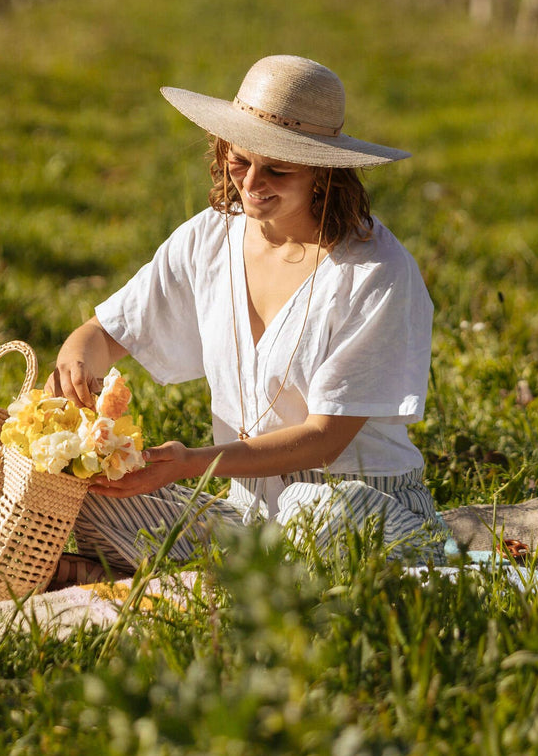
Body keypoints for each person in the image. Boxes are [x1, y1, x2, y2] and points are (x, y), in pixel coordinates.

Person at [47, 54, 446, 581]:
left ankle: (207, 579)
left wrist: (192, 463)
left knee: (315, 514)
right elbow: (103, 332)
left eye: (278, 169)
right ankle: (245, 578)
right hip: (248, 515)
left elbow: (326, 439)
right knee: (88, 492)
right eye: (239, 162)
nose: (252, 183)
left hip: (357, 504)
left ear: (323, 172)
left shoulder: (375, 272)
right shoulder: (208, 238)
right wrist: (77, 364)